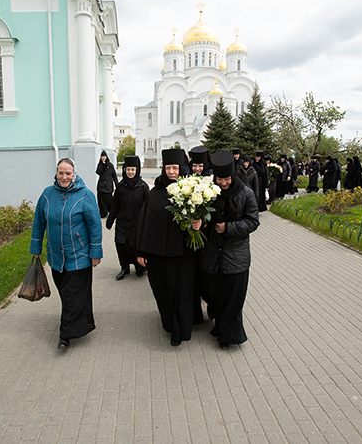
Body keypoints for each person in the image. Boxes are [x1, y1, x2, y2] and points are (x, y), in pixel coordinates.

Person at [31, 158, 103, 349]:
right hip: (56, 258)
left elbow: (95, 226)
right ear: (56, 173)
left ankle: (65, 336)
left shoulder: (85, 195)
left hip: (79, 256)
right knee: (67, 294)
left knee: (72, 295)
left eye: (68, 173)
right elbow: (39, 222)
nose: (64, 177)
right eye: (60, 173)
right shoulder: (47, 194)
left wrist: (96, 252)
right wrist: (36, 249)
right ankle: (80, 322)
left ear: (74, 174)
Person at [193, 150, 259, 349]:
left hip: (235, 256)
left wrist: (228, 228)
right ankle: (220, 324)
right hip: (212, 255)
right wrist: (200, 223)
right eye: (219, 179)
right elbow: (203, 214)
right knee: (212, 293)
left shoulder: (246, 193)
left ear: (234, 175)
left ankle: (228, 337)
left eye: (227, 179)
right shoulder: (208, 193)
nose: (223, 183)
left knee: (232, 300)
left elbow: (253, 221)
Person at [132, 148, 196, 346]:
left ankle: (181, 329)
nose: (171, 172)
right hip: (159, 255)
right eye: (168, 168)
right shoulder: (155, 193)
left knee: (182, 291)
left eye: (175, 168)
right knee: (163, 291)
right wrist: (141, 252)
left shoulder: (191, 191)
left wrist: (198, 223)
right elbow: (145, 222)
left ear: (181, 169)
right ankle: (169, 322)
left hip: (183, 253)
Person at [106, 155, 149, 280]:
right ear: (124, 170)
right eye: (128, 169)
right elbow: (115, 205)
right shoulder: (120, 186)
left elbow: (148, 208)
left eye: (132, 169)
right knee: (121, 246)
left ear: (137, 170)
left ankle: (139, 267)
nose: (130, 172)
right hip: (122, 223)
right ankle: (124, 268)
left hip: (137, 225)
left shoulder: (143, 187)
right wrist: (110, 221)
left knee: (135, 247)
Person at [96, 150, 118, 218]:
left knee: (109, 199)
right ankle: (103, 213)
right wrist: (102, 164)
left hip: (108, 185)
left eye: (104, 156)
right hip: (101, 185)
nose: (103, 157)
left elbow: (114, 176)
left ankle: (112, 212)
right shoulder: (100, 165)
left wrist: (117, 185)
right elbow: (98, 172)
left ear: (106, 157)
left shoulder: (110, 165)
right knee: (101, 200)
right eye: (102, 156)